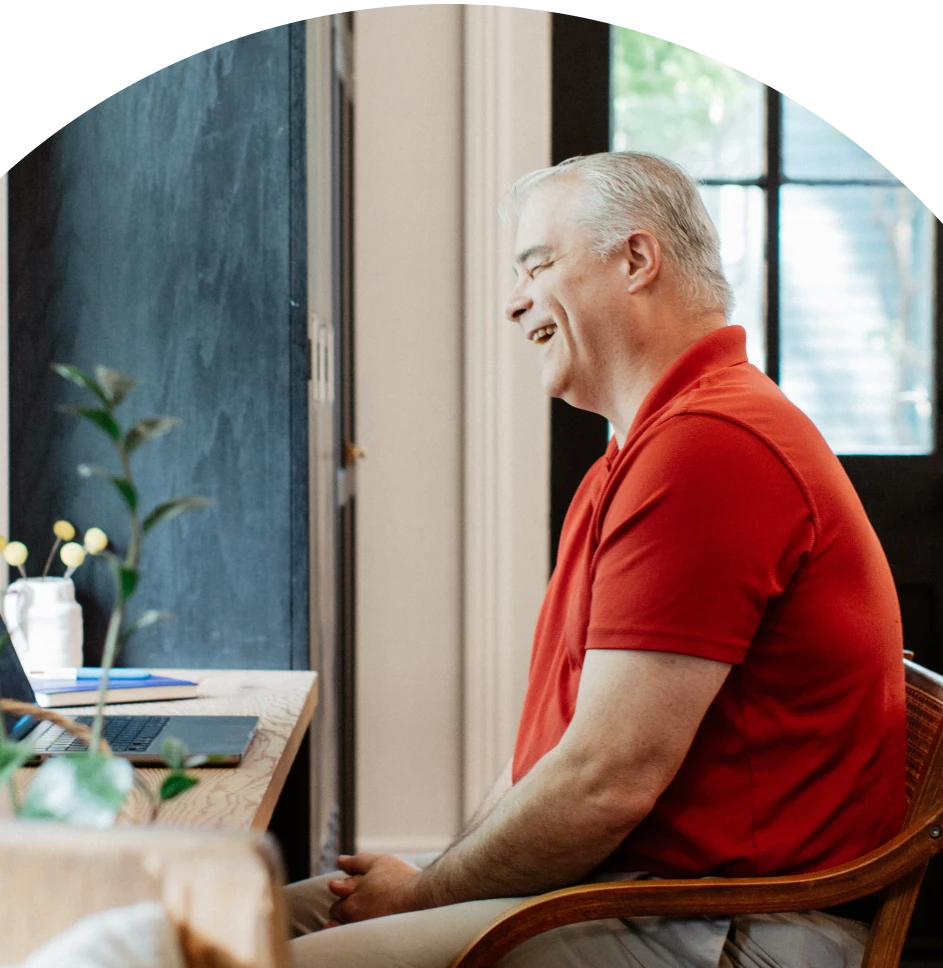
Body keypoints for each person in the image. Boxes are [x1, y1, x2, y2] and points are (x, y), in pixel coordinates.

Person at [284, 152, 907, 968]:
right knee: (229, 919)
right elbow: (557, 761)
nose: (514, 303)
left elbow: (603, 782)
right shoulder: (644, 450)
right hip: (640, 891)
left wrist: (425, 894)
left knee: (249, 953)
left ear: (637, 261)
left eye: (537, 265)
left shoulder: (710, 448)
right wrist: (435, 878)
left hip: (724, 926)